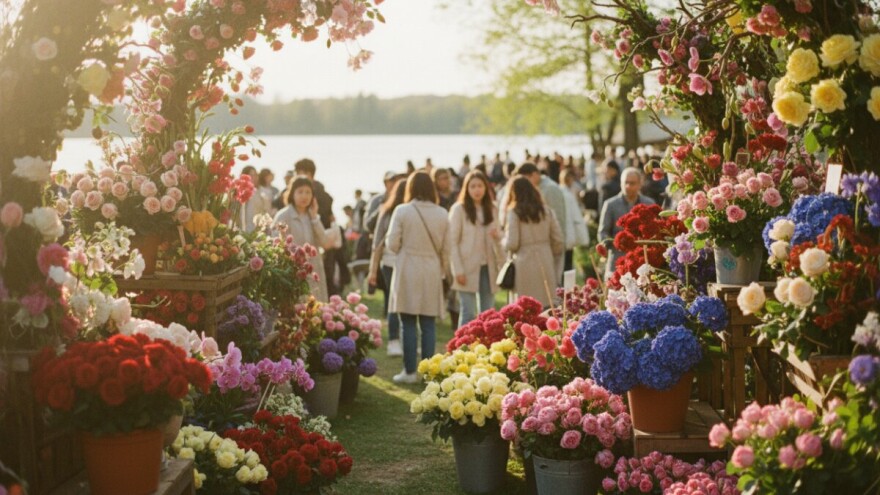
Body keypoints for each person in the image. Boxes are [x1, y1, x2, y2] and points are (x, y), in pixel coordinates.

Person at [386, 172, 450, 383]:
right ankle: (429, 373)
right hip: (431, 269)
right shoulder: (442, 213)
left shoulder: (402, 210)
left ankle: (410, 371)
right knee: (428, 323)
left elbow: (392, 244)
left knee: (408, 321)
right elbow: (447, 249)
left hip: (407, 268)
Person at [449, 171, 502, 327]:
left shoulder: (492, 209)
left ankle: (486, 349)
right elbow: (452, 242)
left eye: (480, 186)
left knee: (488, 313)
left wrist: (497, 237)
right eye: (472, 186)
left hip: (489, 266)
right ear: (467, 189)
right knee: (468, 312)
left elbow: (499, 237)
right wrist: (458, 270)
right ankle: (461, 348)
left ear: (485, 188)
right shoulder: (459, 209)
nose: (477, 190)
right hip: (466, 267)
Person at [502, 177, 564, 307]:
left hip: (523, 262)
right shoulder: (546, 211)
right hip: (545, 258)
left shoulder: (514, 213)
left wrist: (502, 242)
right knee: (548, 305)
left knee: (526, 307)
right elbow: (558, 240)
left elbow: (513, 243)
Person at [368, 179, 407, 357]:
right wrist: (372, 270)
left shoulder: (411, 212)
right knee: (393, 302)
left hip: (408, 263)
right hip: (390, 263)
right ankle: (393, 340)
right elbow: (377, 243)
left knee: (408, 304)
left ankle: (405, 339)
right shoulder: (388, 211)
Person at [274, 177, 328, 302]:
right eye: (300, 192)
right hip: (292, 271)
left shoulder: (312, 216)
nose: (305, 196)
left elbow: (324, 241)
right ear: (292, 194)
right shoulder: (283, 215)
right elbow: (276, 243)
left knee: (315, 309)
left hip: (314, 269)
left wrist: (315, 217)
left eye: (308, 192)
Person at [598, 168, 655, 281]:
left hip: (642, 264)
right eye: (626, 182)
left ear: (640, 184)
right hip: (617, 262)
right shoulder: (610, 204)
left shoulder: (649, 203)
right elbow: (602, 233)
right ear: (621, 183)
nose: (628, 186)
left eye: (632, 183)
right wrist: (618, 243)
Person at [560, 169, 590, 271]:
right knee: (567, 261)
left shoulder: (566, 191)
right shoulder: (566, 193)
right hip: (568, 230)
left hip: (566, 230)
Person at [240, 166, 268, 232]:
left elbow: (265, 212)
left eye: (256, 175)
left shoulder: (261, 193)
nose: (254, 178)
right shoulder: (238, 193)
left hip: (256, 233)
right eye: (251, 175)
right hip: (241, 233)